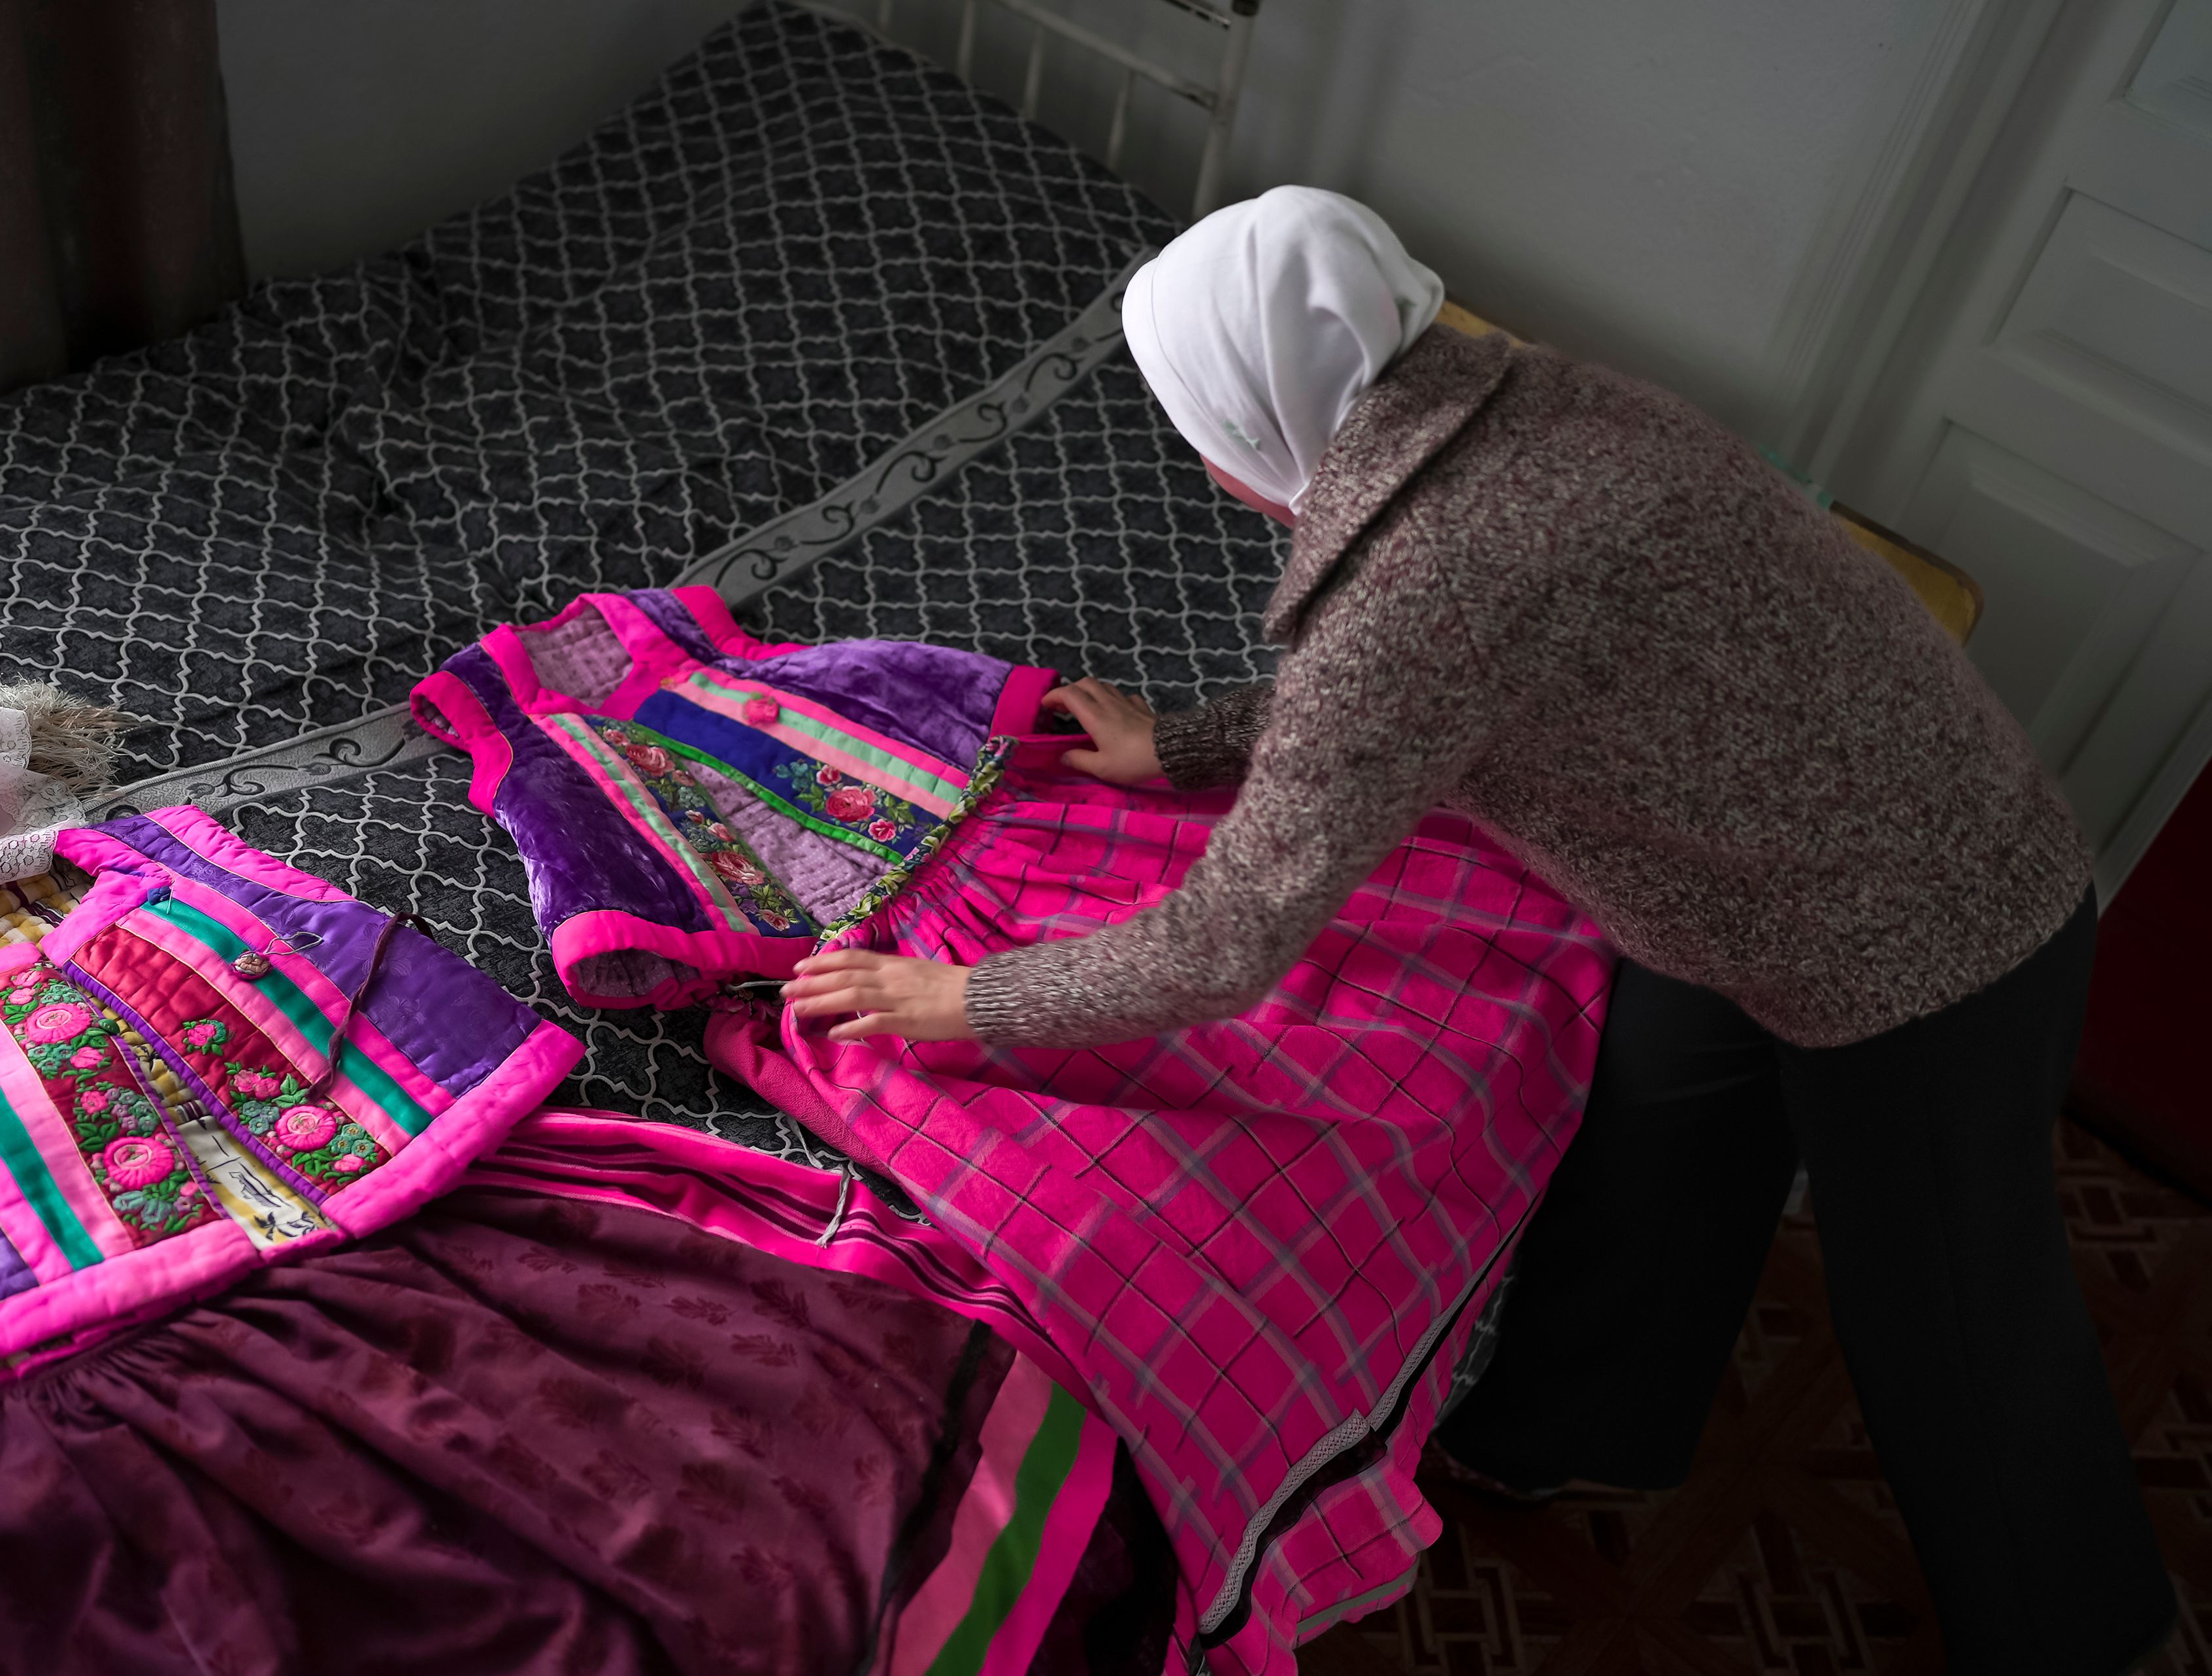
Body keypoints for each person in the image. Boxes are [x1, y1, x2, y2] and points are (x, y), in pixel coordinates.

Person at [783, 185, 2172, 1673]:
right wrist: (1185, 746)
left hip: (1935, 933)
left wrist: (965, 998)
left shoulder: (1421, 582)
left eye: (1189, 418)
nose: (1188, 455)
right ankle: (1577, 1428)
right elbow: (1423, 685)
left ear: (1261, 421)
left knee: (1956, 1334)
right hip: (1781, 871)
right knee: (1659, 1125)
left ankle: (2085, 1632)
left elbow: (1229, 937)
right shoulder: (1523, 401)